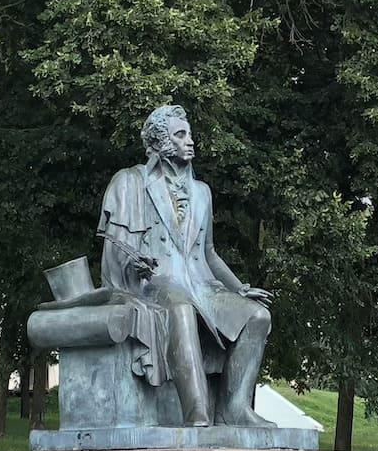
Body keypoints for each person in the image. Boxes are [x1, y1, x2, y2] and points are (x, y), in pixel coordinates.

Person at [96, 104, 273, 427]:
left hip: (202, 284)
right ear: (162, 142)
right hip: (158, 283)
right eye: (181, 135)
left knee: (258, 316)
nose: (190, 141)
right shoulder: (131, 183)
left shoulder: (202, 192)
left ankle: (234, 408)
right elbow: (116, 249)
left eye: (189, 134)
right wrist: (134, 267)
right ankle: (196, 411)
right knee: (181, 309)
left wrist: (239, 288)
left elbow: (209, 253)